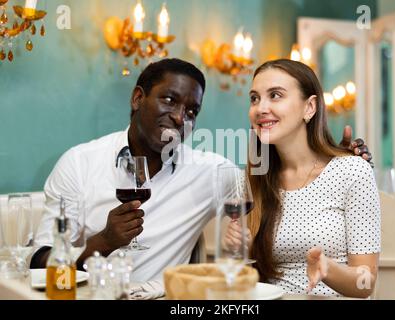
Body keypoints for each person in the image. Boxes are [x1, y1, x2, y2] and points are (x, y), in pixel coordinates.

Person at [31, 58, 372, 283]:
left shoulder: (213, 174)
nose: (181, 118)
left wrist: (342, 160)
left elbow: (278, 180)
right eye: (169, 101)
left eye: (192, 110)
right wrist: (101, 243)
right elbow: (37, 264)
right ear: (137, 98)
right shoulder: (79, 164)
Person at [225, 59, 380, 298]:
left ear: (310, 107)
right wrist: (241, 251)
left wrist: (328, 268)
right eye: (254, 98)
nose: (260, 108)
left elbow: (366, 282)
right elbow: (253, 280)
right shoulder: (255, 178)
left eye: (275, 95)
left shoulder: (352, 171)